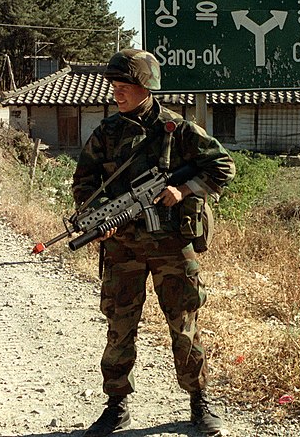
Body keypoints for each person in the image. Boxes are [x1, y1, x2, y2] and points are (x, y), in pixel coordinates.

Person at [72, 48, 235, 436]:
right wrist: (102, 219)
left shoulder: (178, 129)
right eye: (114, 85)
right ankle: (116, 405)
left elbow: (223, 166)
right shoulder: (106, 133)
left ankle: (199, 402)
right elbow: (84, 183)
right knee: (120, 325)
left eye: (125, 85)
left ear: (146, 86)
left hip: (172, 248)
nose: (117, 92)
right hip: (122, 249)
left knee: (183, 325)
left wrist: (183, 190)